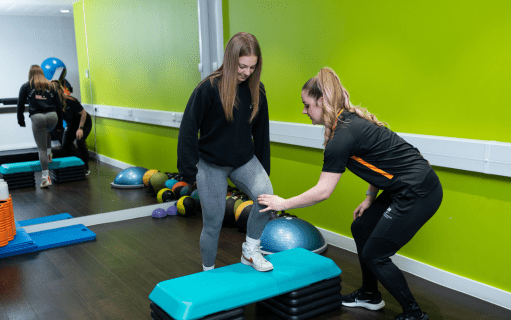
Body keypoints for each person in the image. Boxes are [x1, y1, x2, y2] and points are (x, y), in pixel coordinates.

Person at [257, 67, 442, 320]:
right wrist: (369, 196)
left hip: (419, 191)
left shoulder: (342, 136)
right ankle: (369, 295)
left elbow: (323, 191)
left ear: (321, 101)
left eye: (306, 104)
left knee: (375, 255)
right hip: (405, 186)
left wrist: (284, 202)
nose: (304, 111)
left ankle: (414, 313)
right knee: (362, 228)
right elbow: (381, 162)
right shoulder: (346, 123)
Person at [177, 32, 274, 272]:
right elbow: (188, 128)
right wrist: (188, 172)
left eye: (252, 67)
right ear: (231, 60)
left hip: (244, 160)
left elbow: (262, 134)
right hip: (211, 164)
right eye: (242, 66)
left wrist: (264, 171)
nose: (247, 72)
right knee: (213, 222)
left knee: (267, 199)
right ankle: (208, 272)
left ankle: (251, 251)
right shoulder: (208, 88)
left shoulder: (257, 90)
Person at [17, 65, 63, 188]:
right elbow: (58, 105)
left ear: (30, 73)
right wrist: (59, 125)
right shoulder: (51, 85)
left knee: (40, 148)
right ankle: (49, 156)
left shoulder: (26, 86)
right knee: (46, 131)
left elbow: (20, 105)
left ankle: (45, 178)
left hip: (38, 118)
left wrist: (21, 121)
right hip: (53, 116)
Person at [52, 81, 92, 175]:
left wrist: (80, 128)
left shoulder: (71, 100)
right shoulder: (53, 103)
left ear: (60, 91)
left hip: (84, 122)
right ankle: (77, 164)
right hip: (71, 124)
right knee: (65, 144)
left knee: (79, 141)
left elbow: (83, 113)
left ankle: (85, 167)